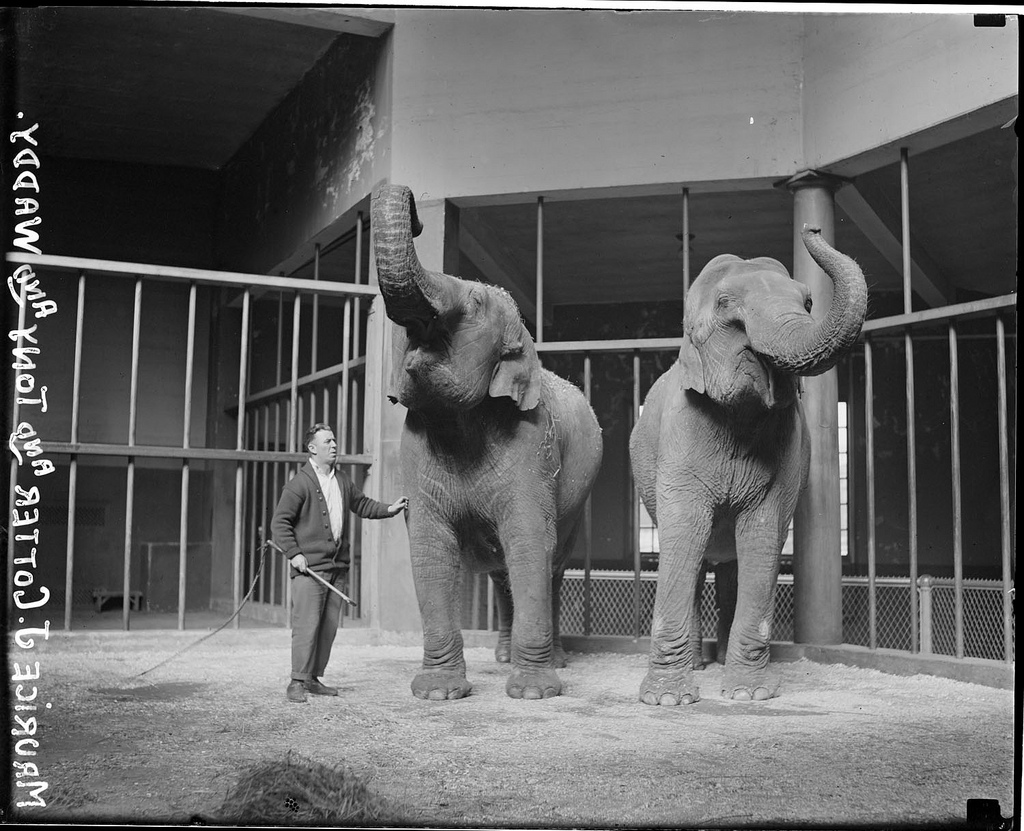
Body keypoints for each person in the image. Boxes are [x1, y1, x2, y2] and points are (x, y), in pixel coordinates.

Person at [271, 422, 408, 703]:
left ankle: (313, 679)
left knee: (327, 628)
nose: (334, 446)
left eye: (334, 441)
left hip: (337, 570)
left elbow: (362, 505)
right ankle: (296, 681)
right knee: (306, 626)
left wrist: (389, 509)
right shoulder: (299, 484)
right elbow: (280, 523)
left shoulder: (342, 479)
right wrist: (294, 553)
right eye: (327, 442)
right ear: (312, 448)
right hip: (310, 571)